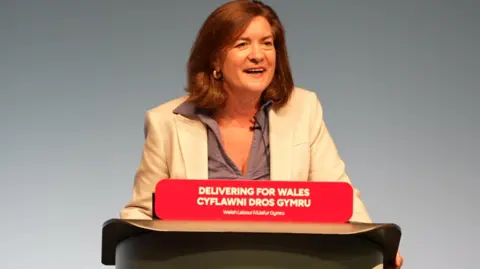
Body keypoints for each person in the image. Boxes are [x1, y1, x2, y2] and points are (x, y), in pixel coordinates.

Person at [119, 0, 403, 268]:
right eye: (242, 44)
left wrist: (379, 254)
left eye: (267, 44)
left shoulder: (304, 110)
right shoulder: (166, 122)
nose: (258, 55)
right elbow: (143, 215)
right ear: (215, 60)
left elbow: (342, 199)